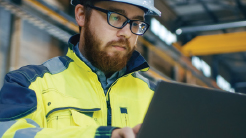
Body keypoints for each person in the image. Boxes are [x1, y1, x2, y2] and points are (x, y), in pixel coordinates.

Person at [0, 0, 161, 137]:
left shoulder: (157, 98)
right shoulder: (28, 83)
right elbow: (9, 133)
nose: (127, 33)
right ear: (82, 15)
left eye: (136, 23)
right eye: (116, 17)